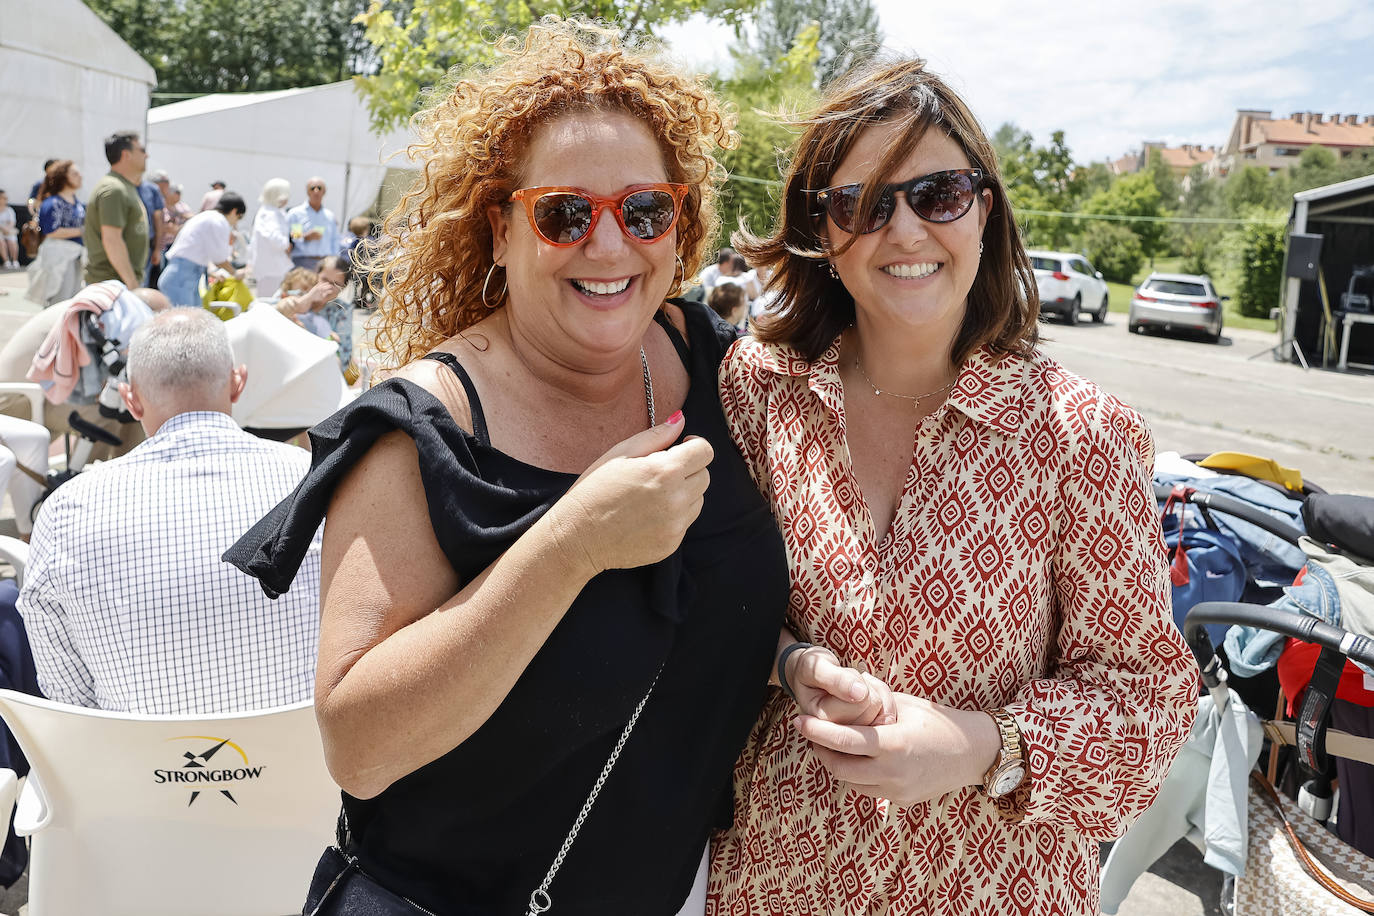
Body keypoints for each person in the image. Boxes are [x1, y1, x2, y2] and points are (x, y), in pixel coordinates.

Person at [222, 20, 850, 916]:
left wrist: (787, 664)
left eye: (643, 211)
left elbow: (707, 606)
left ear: (680, 226)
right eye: (563, 213)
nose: (608, 246)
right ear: (501, 229)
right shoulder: (423, 427)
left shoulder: (717, 365)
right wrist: (569, 546)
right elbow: (358, 745)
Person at [710, 55, 1199, 915]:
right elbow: (712, 601)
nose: (905, 232)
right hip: (781, 879)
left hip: (997, 891)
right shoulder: (759, 389)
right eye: (863, 204)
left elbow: (1151, 708)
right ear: (823, 231)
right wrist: (793, 664)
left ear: (985, 211)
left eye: (938, 195)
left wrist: (979, 745)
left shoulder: (1081, 435)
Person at [18, 308, 319, 714]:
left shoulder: (67, 509)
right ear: (237, 383)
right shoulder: (313, 481)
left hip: (139, 769)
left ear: (131, 401)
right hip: (304, 767)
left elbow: (67, 697)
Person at [83, 131, 150, 289]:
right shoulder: (114, 189)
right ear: (126, 155)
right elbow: (112, 240)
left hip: (118, 283)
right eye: (142, 150)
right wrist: (132, 285)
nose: (147, 156)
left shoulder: (123, 187)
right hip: (113, 285)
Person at [157, 192, 246, 307]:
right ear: (234, 211)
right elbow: (219, 259)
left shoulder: (207, 217)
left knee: (194, 318)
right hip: (182, 279)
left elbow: (201, 252)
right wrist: (235, 273)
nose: (236, 222)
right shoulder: (219, 222)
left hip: (181, 276)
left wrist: (212, 272)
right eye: (239, 218)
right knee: (188, 322)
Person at [27, 161, 87, 305]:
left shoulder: (76, 202)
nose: (80, 176)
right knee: (60, 300)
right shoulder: (52, 203)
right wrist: (82, 231)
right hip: (59, 256)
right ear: (63, 178)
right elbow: (51, 231)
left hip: (75, 255)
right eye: (75, 173)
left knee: (72, 298)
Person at [248, 178, 294, 298]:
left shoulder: (268, 212)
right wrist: (287, 244)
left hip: (270, 267)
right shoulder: (270, 214)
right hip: (272, 268)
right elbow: (276, 239)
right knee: (269, 303)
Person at [286, 177, 338, 271]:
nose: (316, 191)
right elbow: (292, 237)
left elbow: (335, 240)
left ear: (324, 192)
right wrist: (306, 236)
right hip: (302, 261)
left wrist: (335, 261)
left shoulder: (329, 216)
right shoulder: (296, 214)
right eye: (312, 188)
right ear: (307, 192)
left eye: (319, 188)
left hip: (325, 263)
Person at [138, 170, 167, 285]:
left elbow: (158, 220)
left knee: (142, 282)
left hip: (146, 247)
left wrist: (157, 249)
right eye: (165, 181)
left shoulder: (151, 190)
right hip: (124, 244)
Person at [0, 192, 18, 269]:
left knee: (12, 241)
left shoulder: (9, 210)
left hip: (8, 231)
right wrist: (3, 228)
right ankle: (6, 261)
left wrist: (6, 229)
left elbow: (12, 222)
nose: (5, 200)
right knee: (1, 241)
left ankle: (15, 261)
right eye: (3, 198)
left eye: (6, 198)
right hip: (1, 231)